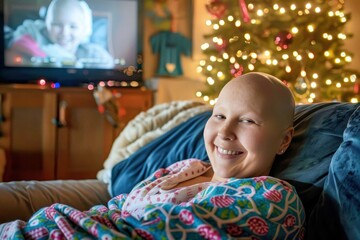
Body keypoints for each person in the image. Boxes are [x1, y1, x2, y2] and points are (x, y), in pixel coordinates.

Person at [0, 72, 304, 239]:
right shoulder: (186, 167)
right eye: (219, 116)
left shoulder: (273, 197)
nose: (224, 133)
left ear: (283, 140)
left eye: (247, 120)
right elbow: (118, 206)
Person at [6, 0, 114, 68]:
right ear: (47, 24)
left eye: (73, 26)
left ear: (84, 29)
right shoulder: (31, 38)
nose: (64, 33)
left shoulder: (96, 55)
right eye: (57, 25)